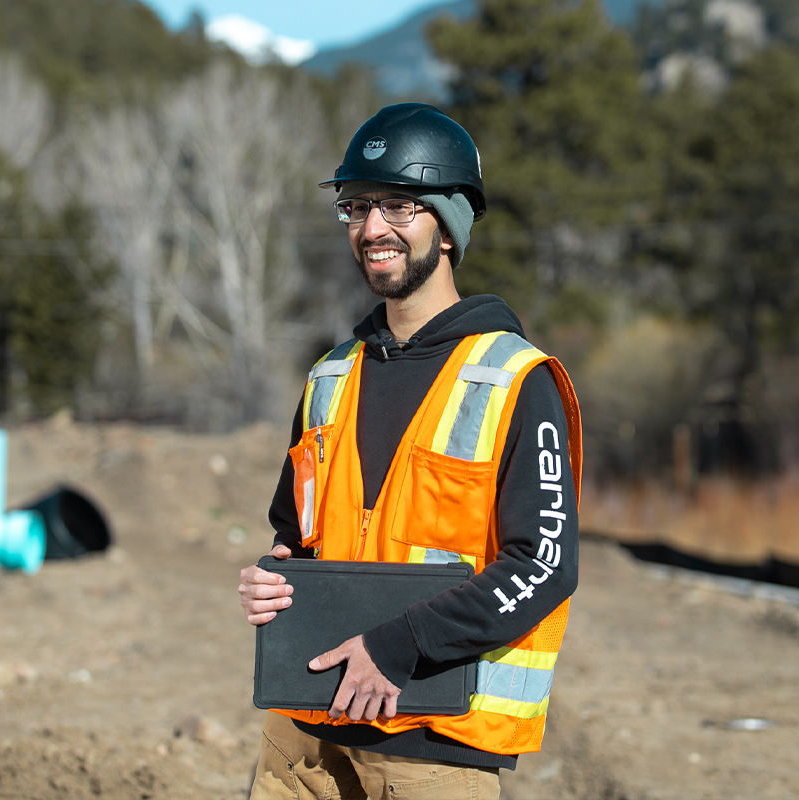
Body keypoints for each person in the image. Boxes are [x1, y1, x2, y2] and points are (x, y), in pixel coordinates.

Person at [238, 102, 582, 800]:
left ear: (449, 225)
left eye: (399, 206)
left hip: (433, 740)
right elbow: (294, 535)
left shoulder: (516, 378)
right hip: (304, 730)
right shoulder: (331, 376)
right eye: (357, 206)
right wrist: (275, 579)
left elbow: (544, 565)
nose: (371, 229)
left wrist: (397, 648)